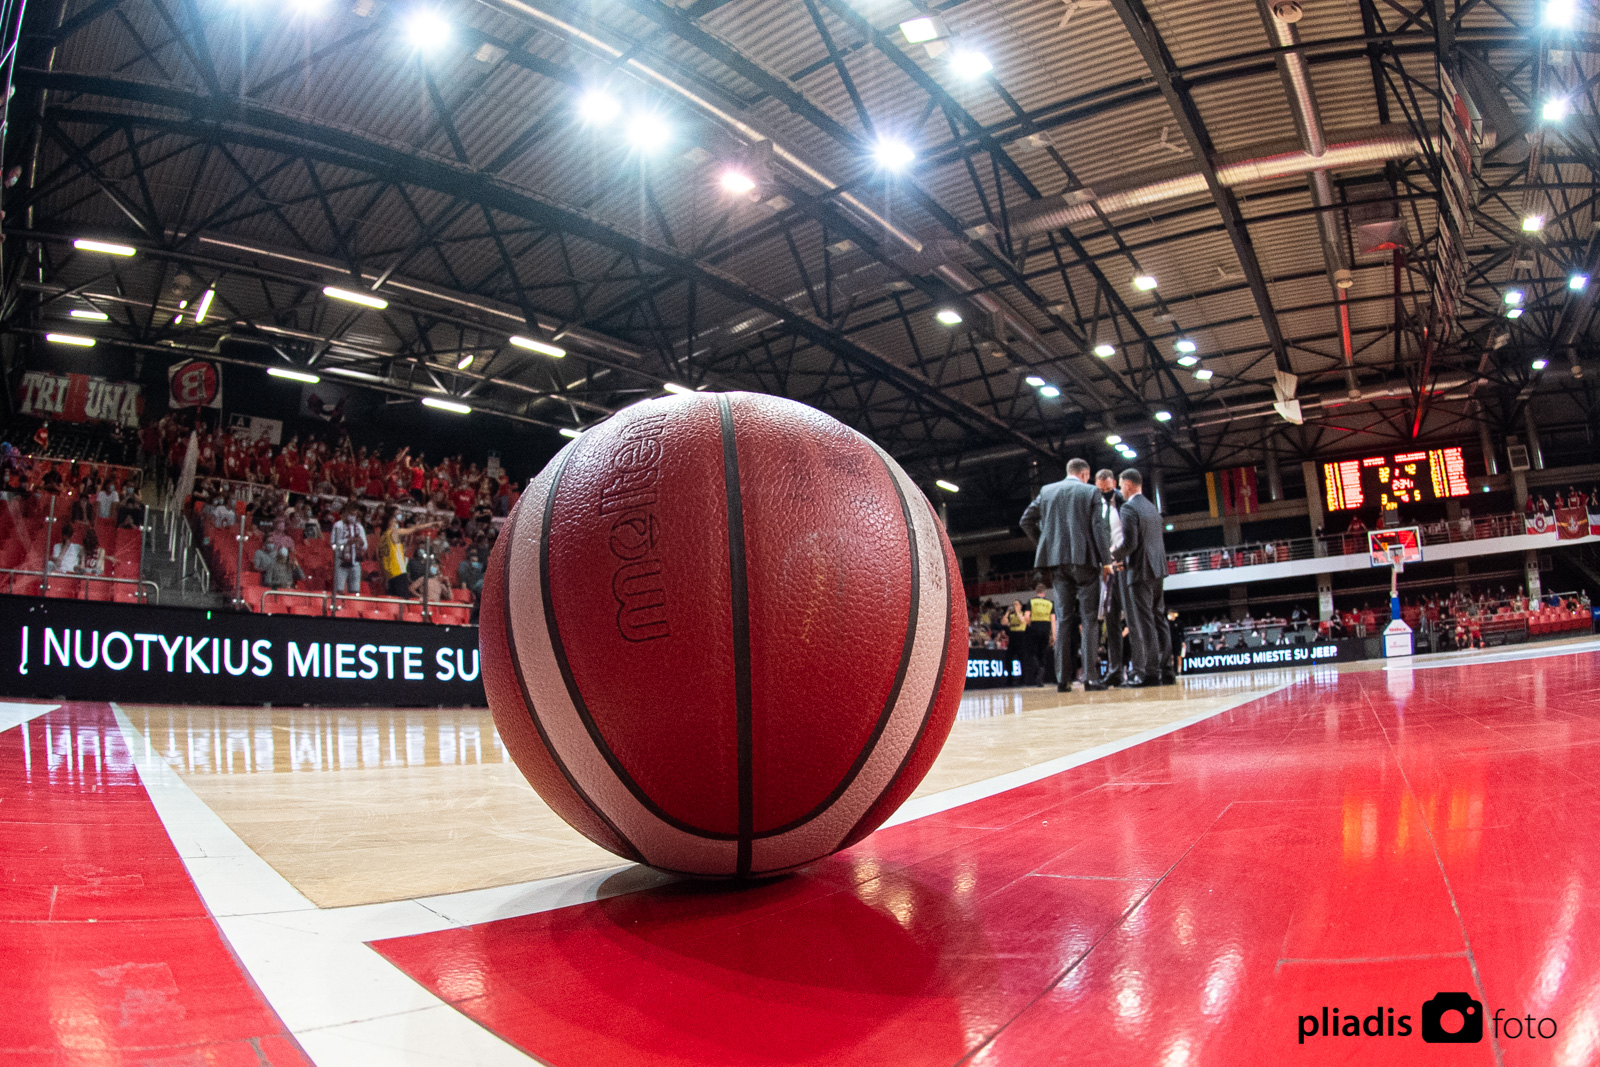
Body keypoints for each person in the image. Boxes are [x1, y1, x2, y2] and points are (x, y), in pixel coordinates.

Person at [1020, 457, 1107, 692]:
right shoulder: (1091, 492)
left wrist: (1045, 546)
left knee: (1064, 618)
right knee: (1089, 620)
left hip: (1057, 563)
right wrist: (1106, 560)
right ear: (1085, 474)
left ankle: (1062, 679)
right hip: (1086, 560)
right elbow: (1098, 528)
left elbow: (1026, 521)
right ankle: (1090, 678)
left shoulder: (1047, 491)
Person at [1113, 468, 1172, 686]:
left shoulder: (1129, 508)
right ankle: (1167, 671)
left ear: (1128, 484)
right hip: (1158, 570)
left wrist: (1113, 555)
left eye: (1120, 485)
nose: (1120, 490)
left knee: (1145, 622)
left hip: (1139, 571)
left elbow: (1131, 543)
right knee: (1159, 619)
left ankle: (1149, 674)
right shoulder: (1151, 507)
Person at [1092, 469, 1127, 685]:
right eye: (1101, 488)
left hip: (1124, 565)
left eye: (1108, 488)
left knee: (1132, 620)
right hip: (1104, 569)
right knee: (1111, 621)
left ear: (1114, 483)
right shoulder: (1094, 505)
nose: (1104, 491)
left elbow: (1132, 534)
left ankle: (1142, 668)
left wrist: (1122, 557)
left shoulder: (1124, 502)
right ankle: (1115, 670)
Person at [378, 512, 434, 598]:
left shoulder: (382, 538)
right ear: (390, 522)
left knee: (393, 602)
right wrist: (432, 523)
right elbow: (414, 529)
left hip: (389, 575)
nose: (397, 524)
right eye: (395, 522)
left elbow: (380, 557)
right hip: (398, 571)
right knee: (403, 602)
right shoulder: (394, 533)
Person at [331, 502, 367, 596]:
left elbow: (365, 546)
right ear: (346, 514)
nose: (353, 517)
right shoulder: (338, 525)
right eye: (351, 514)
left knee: (355, 591)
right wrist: (347, 541)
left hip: (355, 562)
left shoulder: (359, 527)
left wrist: (360, 542)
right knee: (339, 589)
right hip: (341, 562)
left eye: (355, 515)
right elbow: (333, 544)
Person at [1026, 583, 1057, 686]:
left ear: (1036, 591)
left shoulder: (1031, 601)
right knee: (1043, 653)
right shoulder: (1050, 603)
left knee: (1032, 652)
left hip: (1034, 628)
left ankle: (1038, 668)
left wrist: (1029, 623)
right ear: (1045, 592)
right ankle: (1041, 676)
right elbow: (1053, 620)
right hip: (1046, 628)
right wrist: (1054, 635)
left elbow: (1027, 616)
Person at [457, 545, 486, 623]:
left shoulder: (481, 572)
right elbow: (464, 583)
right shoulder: (465, 567)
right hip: (473, 592)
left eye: (475, 557)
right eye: (472, 557)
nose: (474, 560)